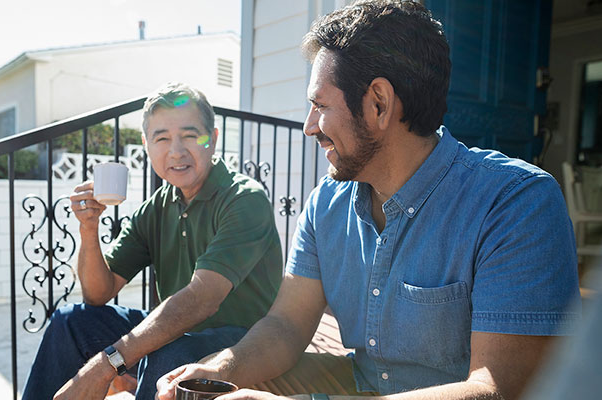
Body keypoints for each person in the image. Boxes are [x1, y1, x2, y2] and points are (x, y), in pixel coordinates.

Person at [155, 2, 582, 400]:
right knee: (205, 370)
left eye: (319, 105)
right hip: (359, 386)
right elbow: (285, 325)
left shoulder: (516, 203)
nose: (308, 127)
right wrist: (218, 369)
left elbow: (497, 389)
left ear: (378, 104)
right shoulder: (327, 202)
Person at [21, 82, 283, 400]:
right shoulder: (156, 208)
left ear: (212, 140)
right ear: (147, 145)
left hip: (245, 341)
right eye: (162, 138)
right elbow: (98, 293)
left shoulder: (244, 198)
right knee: (71, 321)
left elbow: (202, 299)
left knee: (170, 353)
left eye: (190, 135)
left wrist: (107, 364)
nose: (176, 151)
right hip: (181, 331)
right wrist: (89, 229)